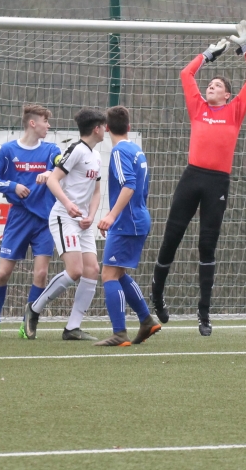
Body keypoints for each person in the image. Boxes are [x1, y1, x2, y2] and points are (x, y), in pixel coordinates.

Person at [151, 21, 246, 336]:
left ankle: (204, 314)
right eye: (209, 84)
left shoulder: (235, 110)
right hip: (192, 178)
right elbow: (186, 74)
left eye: (216, 85)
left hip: (217, 183)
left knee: (207, 245)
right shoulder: (198, 107)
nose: (210, 87)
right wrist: (207, 56)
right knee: (171, 238)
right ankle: (157, 296)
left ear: (227, 94)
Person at [0, 105, 61, 339]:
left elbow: (62, 163)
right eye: (45, 121)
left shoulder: (51, 150)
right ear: (33, 123)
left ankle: (27, 325)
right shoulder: (8, 150)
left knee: (41, 274)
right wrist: (13, 186)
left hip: (44, 220)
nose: (48, 126)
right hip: (18, 218)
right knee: (3, 273)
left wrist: (51, 172)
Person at [24, 108, 105, 341]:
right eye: (103, 126)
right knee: (75, 270)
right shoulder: (76, 149)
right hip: (64, 217)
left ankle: (72, 328)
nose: (105, 130)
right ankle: (34, 308)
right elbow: (52, 179)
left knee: (92, 270)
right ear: (96, 129)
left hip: (83, 221)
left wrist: (91, 215)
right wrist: (68, 205)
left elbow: (96, 191)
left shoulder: (97, 156)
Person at [94, 106, 162, 347]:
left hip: (126, 222)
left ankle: (119, 333)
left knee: (108, 274)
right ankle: (146, 320)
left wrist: (111, 216)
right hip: (138, 217)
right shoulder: (136, 150)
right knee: (118, 273)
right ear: (129, 127)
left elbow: (129, 185)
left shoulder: (119, 151)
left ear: (107, 128)